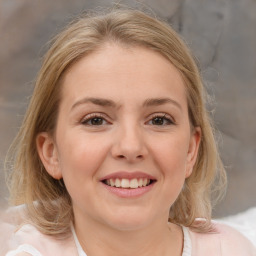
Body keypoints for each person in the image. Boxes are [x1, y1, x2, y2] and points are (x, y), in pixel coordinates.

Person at [2, 8, 255, 256]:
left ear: (191, 150)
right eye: (95, 121)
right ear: (51, 153)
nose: (130, 147)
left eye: (158, 120)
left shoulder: (231, 250)